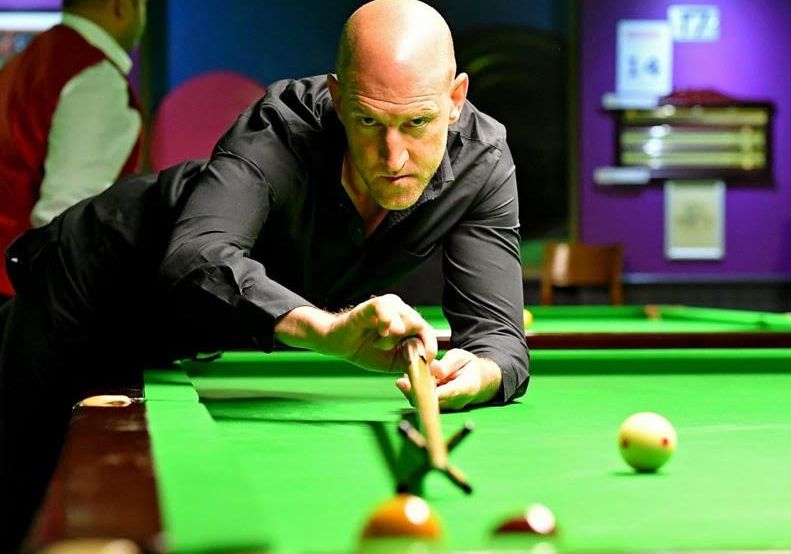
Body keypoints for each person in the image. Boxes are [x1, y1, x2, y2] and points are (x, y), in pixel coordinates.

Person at [0, 0, 529, 549]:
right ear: (337, 98)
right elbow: (197, 258)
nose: (393, 156)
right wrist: (327, 330)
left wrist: (482, 374)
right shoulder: (283, 126)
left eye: (416, 123)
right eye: (369, 121)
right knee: (21, 502)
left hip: (181, 329)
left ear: (455, 100)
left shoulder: (483, 162)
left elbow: (499, 338)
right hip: (90, 285)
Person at [0, 0, 148, 306]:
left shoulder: (26, 63)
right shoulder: (95, 78)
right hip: (23, 297)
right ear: (122, 7)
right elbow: (65, 219)